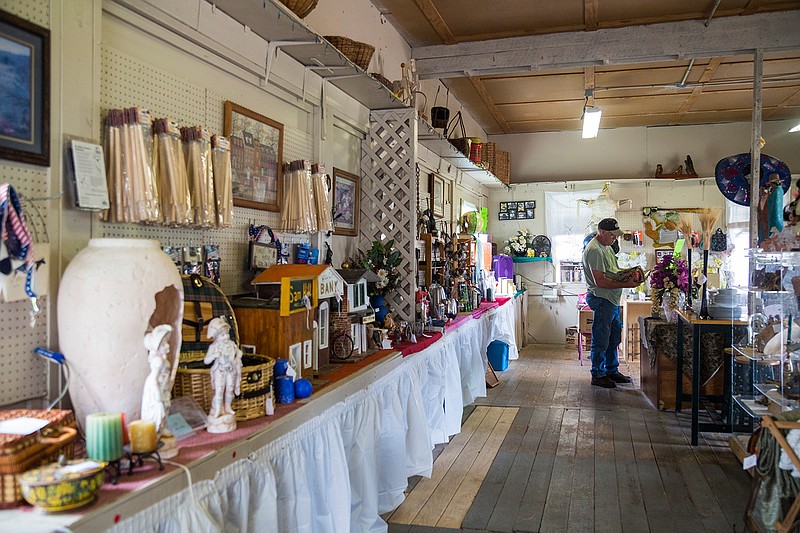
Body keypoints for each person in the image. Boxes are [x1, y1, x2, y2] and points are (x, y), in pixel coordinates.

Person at [582, 218, 642, 388]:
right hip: (602, 298)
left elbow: (612, 272)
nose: (615, 238)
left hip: (611, 300)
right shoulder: (595, 250)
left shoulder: (606, 247)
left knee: (614, 337)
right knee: (601, 338)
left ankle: (611, 370)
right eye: (612, 235)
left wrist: (628, 274)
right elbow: (600, 281)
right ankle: (598, 374)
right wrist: (626, 284)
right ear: (602, 232)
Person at [204, 317, 243, 418]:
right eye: (222, 335)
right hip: (220, 370)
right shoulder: (214, 347)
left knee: (230, 388)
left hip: (230, 370)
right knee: (219, 389)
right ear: (216, 337)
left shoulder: (231, 345)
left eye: (227, 334)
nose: (226, 337)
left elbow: (240, 353)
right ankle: (218, 409)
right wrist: (214, 356)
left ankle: (228, 407)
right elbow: (206, 360)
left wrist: (237, 359)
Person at [141, 324, 173, 434]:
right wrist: (157, 394)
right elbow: (154, 378)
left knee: (165, 407)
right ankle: (157, 430)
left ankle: (163, 428)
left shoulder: (164, 361)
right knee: (158, 408)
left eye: (166, 343)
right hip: (156, 388)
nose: (167, 346)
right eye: (163, 344)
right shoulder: (157, 362)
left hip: (162, 387)